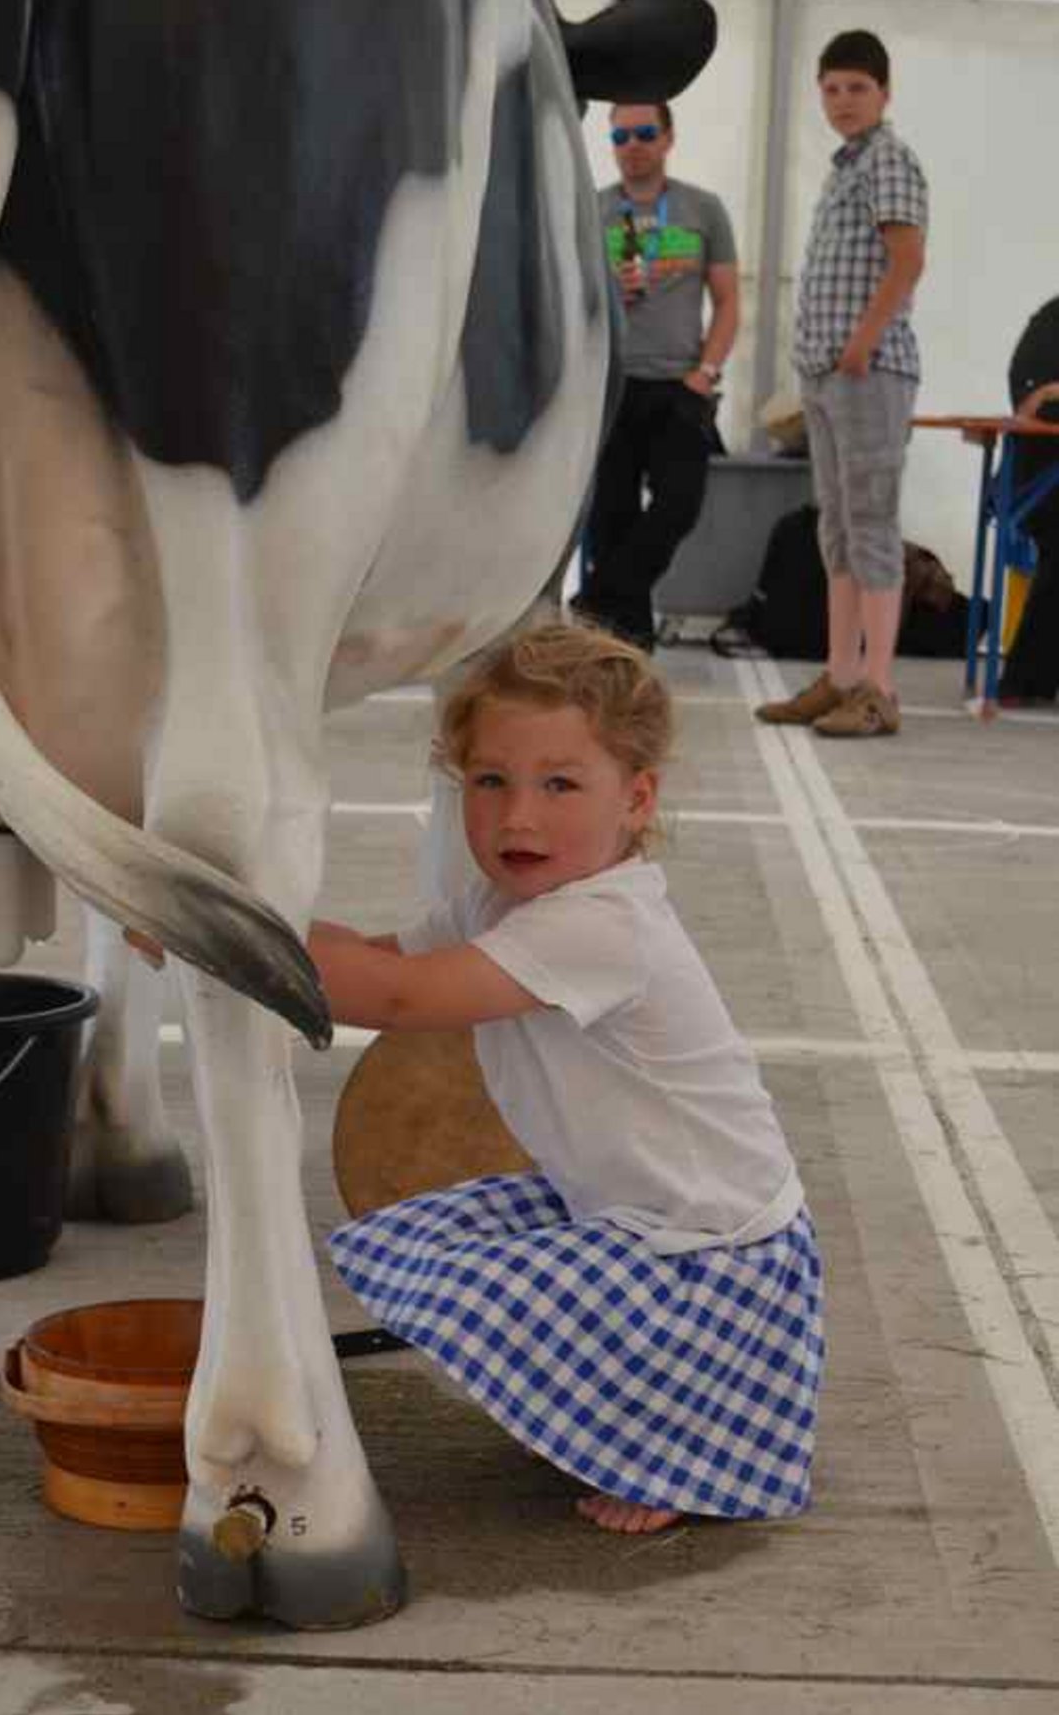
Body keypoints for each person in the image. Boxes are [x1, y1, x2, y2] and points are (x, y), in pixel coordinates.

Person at [310, 621, 823, 1536]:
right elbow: (379, 951)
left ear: (635, 799)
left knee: (481, 1286)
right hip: (643, 1214)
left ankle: (678, 1448)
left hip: (716, 1256)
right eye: (489, 781)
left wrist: (236, 942)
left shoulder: (601, 923)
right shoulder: (503, 897)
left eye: (560, 783)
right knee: (442, 1239)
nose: (518, 817)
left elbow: (395, 992)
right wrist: (259, 923)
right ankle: (623, 1410)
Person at [757, 30, 928, 738]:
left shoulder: (889, 160)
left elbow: (908, 260)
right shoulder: (842, 169)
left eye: (857, 87)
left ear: (885, 93)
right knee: (838, 527)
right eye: (831, 88)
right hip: (827, 374)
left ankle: (879, 687)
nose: (843, 101)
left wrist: (862, 342)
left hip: (869, 370)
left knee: (872, 523)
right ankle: (841, 673)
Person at [570, 101, 739, 652]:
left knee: (679, 504)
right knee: (611, 519)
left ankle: (596, 596)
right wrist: (602, 288)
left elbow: (729, 300)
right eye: (620, 136)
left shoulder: (702, 209)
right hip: (613, 384)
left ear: (668, 138)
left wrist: (706, 372)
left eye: (644, 133)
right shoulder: (592, 209)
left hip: (680, 386)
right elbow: (569, 299)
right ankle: (625, 647)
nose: (632, 145)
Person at [998, 297, 1059, 707]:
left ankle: (1029, 678)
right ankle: (1025, 679)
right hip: (1043, 478)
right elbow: (1035, 402)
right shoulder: (1051, 322)